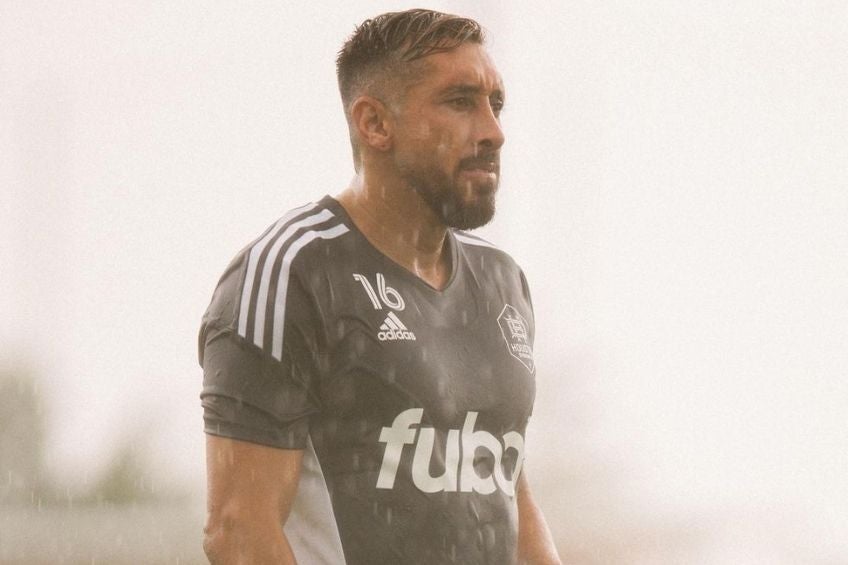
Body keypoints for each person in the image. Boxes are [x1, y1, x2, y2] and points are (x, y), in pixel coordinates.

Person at [198, 8, 561, 565]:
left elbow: (509, 492)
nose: (493, 131)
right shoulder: (291, 272)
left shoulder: (502, 282)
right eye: (461, 101)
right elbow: (239, 530)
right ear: (375, 124)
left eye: (496, 104)